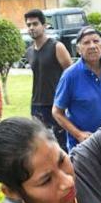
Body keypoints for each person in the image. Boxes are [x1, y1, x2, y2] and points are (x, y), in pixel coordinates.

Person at [52, 27, 101, 151]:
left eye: (96, 41)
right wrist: (78, 134)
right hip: (84, 147)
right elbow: (57, 112)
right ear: (78, 49)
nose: (92, 46)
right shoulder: (70, 75)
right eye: (86, 43)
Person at [25, 9, 73, 151]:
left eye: (35, 24)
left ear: (44, 25)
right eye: (29, 25)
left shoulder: (56, 47)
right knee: (41, 146)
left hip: (57, 105)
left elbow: (70, 75)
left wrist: (66, 101)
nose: (32, 28)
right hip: (36, 105)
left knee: (62, 146)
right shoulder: (29, 51)